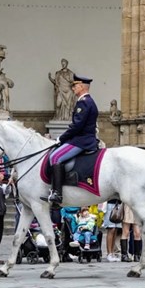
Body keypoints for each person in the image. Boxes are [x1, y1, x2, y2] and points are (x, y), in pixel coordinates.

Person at [43, 74, 98, 209]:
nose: (73, 88)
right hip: (83, 138)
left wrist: (61, 139)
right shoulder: (88, 101)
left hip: (82, 141)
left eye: (75, 86)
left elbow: (76, 126)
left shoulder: (83, 102)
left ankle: (57, 193)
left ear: (81, 86)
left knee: (55, 157)